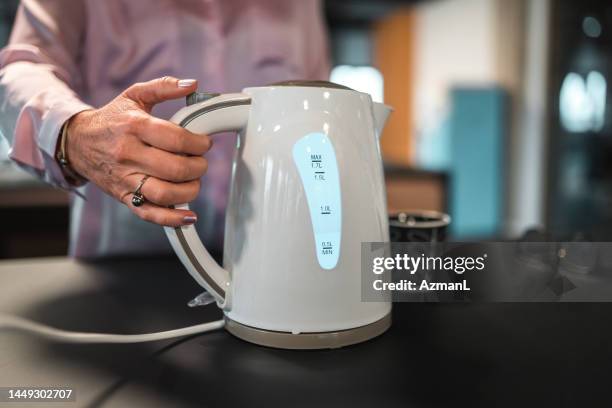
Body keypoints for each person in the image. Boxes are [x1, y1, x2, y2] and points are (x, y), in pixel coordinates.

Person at [0, 0, 330, 257]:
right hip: (122, 275)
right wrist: (74, 131)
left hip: (269, 262)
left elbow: (318, 105)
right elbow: (21, 69)